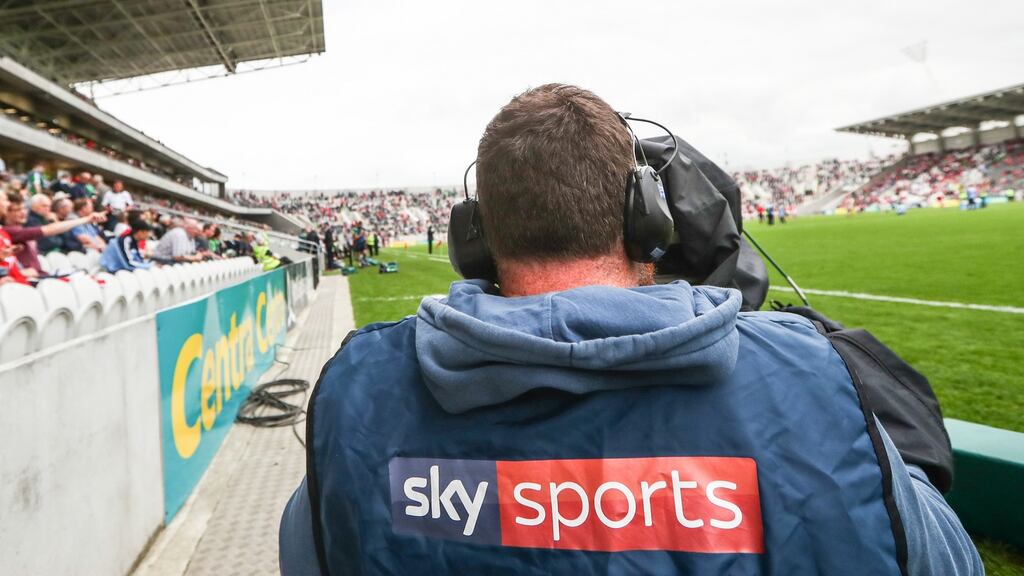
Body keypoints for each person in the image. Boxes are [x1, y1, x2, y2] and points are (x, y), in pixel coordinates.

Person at [279, 84, 981, 576]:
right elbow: (943, 559)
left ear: (474, 238)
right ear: (648, 218)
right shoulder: (809, 377)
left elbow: (310, 547)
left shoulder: (358, 399)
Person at [1, 191, 105, 276]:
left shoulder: (18, 228)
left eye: (24, 209)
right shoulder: (11, 230)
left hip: (38, 275)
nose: (23, 212)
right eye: (17, 210)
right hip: (32, 280)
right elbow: (49, 232)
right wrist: (85, 219)